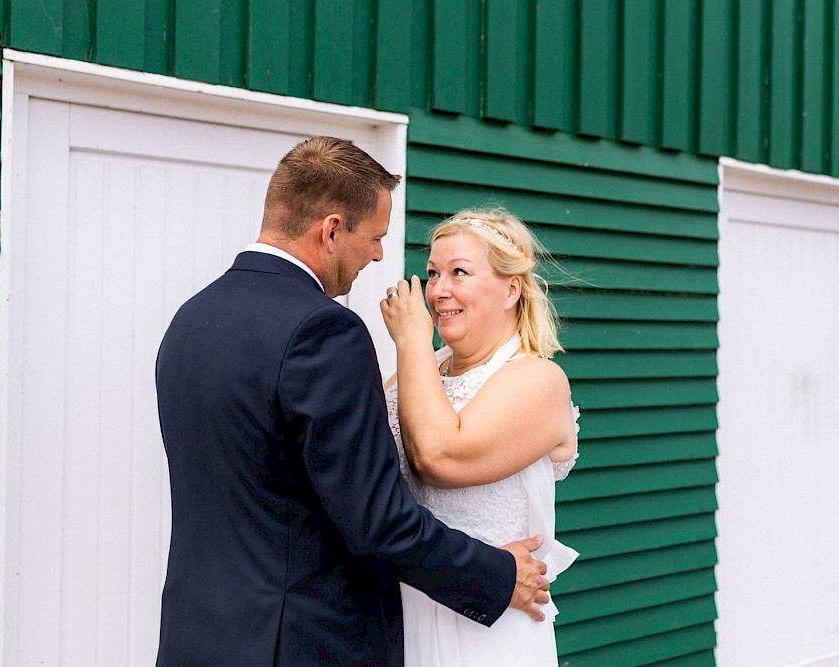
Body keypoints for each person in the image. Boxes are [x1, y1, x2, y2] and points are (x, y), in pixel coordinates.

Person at [154, 138, 550, 667]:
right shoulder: (322, 329)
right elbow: (378, 522)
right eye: (375, 237)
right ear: (333, 229)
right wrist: (496, 576)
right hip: (295, 643)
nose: (380, 255)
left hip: (199, 636)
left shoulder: (191, 318)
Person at [380, 209, 580, 666]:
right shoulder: (414, 374)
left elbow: (438, 456)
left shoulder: (538, 379)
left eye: (459, 273)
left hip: (487, 626)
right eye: (432, 273)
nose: (438, 290)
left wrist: (413, 341)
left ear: (511, 289)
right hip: (406, 612)